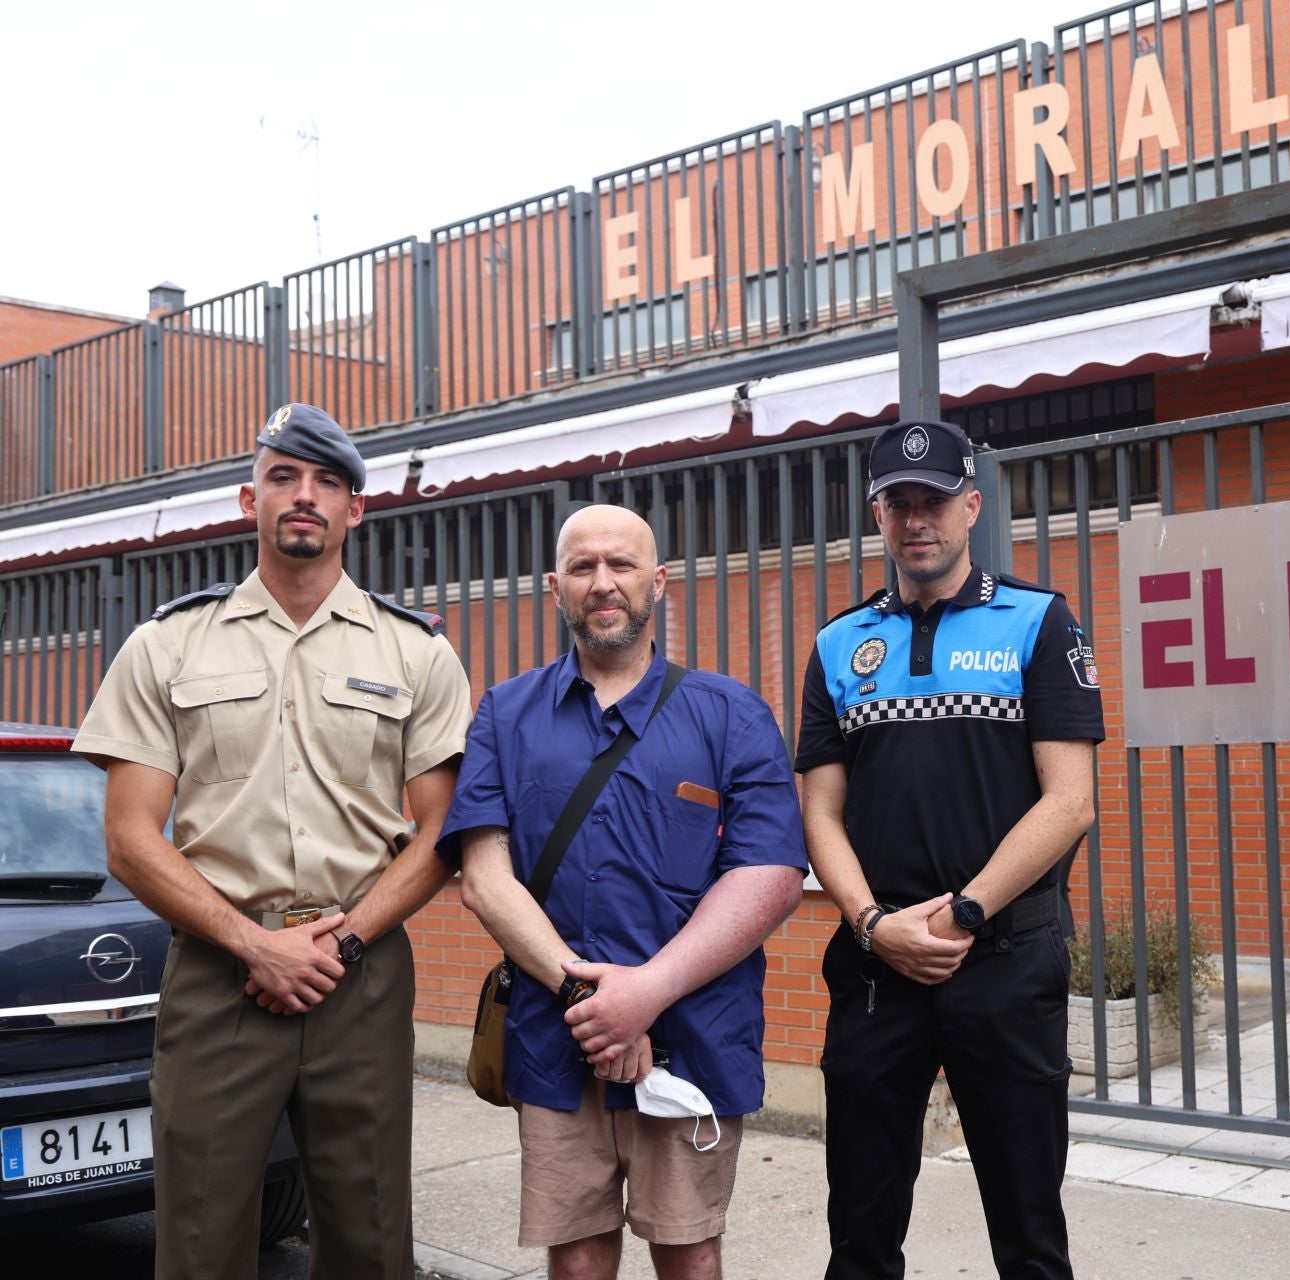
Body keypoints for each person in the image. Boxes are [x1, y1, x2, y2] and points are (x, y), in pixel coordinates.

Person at [71, 403, 473, 1280]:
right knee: (200, 1239)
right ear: (248, 498)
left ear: (355, 511)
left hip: (360, 976)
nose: (305, 497)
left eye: (328, 481)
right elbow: (130, 838)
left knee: (369, 1238)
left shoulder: (418, 654)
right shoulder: (168, 644)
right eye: (284, 476)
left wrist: (343, 940)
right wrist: (257, 944)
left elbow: (443, 831)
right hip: (220, 976)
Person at [444, 503, 806, 1280]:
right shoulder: (505, 714)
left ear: (660, 583)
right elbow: (482, 877)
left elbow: (770, 877)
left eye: (622, 565)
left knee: (690, 1251)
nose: (603, 583)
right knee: (574, 1259)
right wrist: (594, 1000)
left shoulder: (731, 713)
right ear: (554, 588)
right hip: (555, 1037)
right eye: (582, 567)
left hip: (693, 1038)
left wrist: (646, 994)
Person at [797, 419, 1105, 1280]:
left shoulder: (1040, 622)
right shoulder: (836, 645)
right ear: (878, 515)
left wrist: (966, 912)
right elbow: (819, 814)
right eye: (898, 502)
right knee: (859, 1233)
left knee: (1030, 1235)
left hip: (1006, 958)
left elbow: (1070, 801)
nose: (916, 519)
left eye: (933, 500)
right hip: (876, 970)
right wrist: (872, 926)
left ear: (971, 506)